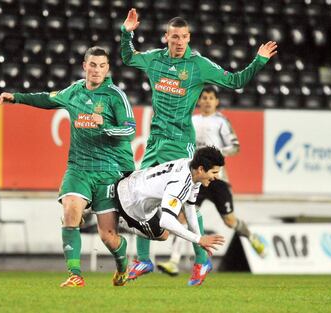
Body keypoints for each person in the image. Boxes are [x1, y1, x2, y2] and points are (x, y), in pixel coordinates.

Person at [120, 8, 278, 286]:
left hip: (181, 143)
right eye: (174, 37)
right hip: (156, 141)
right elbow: (128, 57)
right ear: (165, 37)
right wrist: (126, 33)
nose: (179, 42)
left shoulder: (198, 64)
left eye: (183, 37)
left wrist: (259, 62)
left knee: (187, 205)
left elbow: (235, 80)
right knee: (140, 195)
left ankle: (202, 260)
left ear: (189, 37)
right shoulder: (154, 59)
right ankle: (144, 259)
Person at [0, 47, 136, 288]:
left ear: (107, 69)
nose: (97, 70)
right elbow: (47, 99)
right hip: (78, 167)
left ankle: (122, 266)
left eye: (102, 66)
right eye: (93, 65)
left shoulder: (115, 96)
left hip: (108, 171)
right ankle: (75, 274)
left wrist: (105, 128)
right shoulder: (74, 91)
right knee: (71, 209)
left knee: (108, 236)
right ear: (84, 66)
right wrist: (16, 97)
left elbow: (130, 128)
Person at [157, 86, 266, 276]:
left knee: (230, 221)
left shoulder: (221, 122)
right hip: (196, 177)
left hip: (217, 179)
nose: (207, 101)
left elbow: (235, 146)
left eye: (211, 98)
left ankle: (251, 236)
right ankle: (174, 261)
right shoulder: (191, 120)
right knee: (182, 217)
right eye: (204, 97)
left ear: (216, 102)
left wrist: (214, 155)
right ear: (199, 101)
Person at [116, 146, 225, 286]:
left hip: (132, 184)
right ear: (201, 169)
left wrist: (200, 240)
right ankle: (140, 257)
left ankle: (144, 260)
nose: (217, 177)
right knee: (163, 235)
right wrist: (199, 239)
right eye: (214, 172)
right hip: (128, 204)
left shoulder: (191, 168)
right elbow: (166, 221)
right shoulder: (180, 183)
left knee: (171, 218)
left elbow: (190, 208)